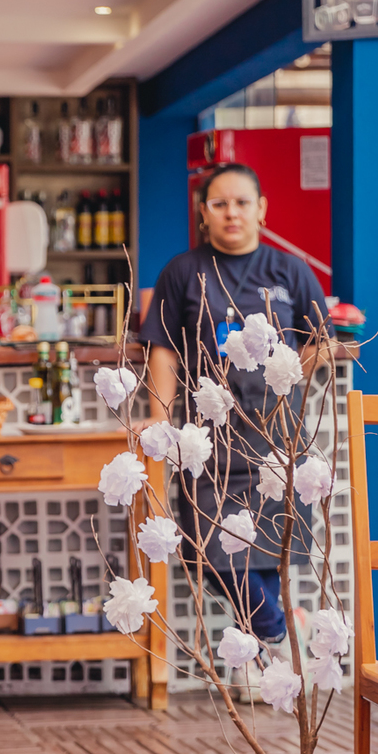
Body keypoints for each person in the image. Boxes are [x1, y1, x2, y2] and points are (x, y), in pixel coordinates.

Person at [140, 161, 331, 651]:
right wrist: (160, 417)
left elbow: (320, 341)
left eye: (242, 203)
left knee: (268, 552)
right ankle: (280, 633)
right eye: (220, 204)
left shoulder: (291, 271)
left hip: (276, 439)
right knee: (212, 556)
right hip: (207, 443)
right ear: (203, 213)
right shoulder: (183, 271)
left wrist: (292, 369)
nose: (232, 213)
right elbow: (161, 345)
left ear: (261, 209)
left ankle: (269, 652)